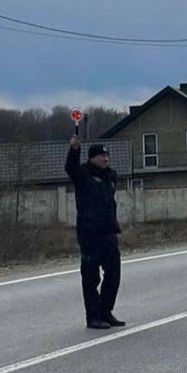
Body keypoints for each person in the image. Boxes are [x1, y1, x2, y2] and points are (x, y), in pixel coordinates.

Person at [65, 137, 125, 329]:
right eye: (101, 156)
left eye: (107, 156)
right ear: (92, 158)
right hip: (89, 234)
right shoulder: (83, 174)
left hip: (108, 232)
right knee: (91, 278)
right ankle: (93, 317)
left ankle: (105, 311)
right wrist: (74, 150)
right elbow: (70, 168)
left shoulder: (111, 176)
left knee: (114, 274)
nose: (105, 159)